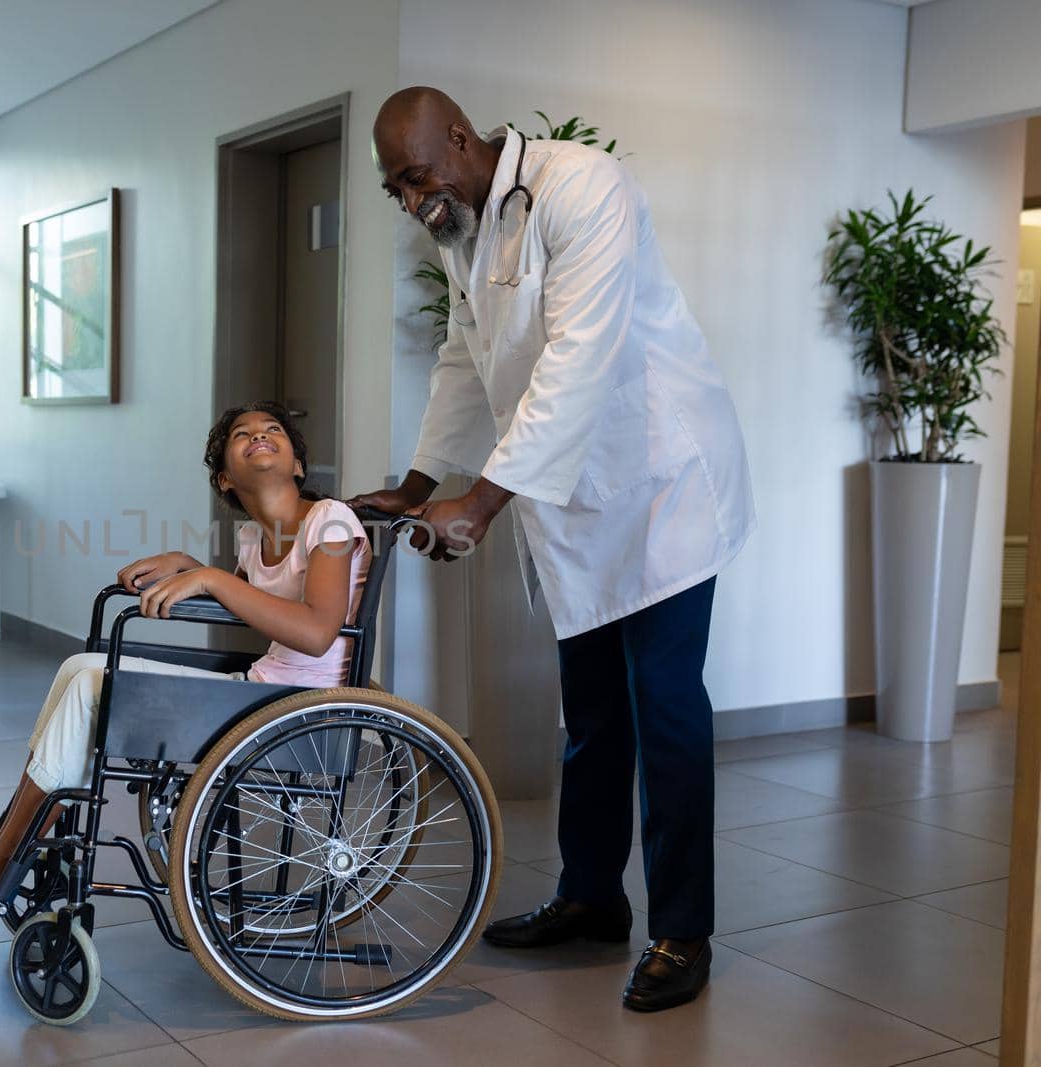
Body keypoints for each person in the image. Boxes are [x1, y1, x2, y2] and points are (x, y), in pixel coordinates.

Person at [348, 86, 755, 1012]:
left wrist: (481, 503)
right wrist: (419, 483)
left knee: (665, 708)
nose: (414, 201)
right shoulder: (463, 231)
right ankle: (591, 895)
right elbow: (465, 355)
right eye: (396, 191)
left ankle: (683, 929)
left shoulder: (583, 188)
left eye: (417, 177)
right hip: (575, 496)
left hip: (661, 487)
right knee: (593, 711)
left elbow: (581, 358)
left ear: (459, 138)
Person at [0, 402, 370, 901]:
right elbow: (252, 607)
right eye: (243, 434)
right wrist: (188, 565)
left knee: (91, 686)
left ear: (297, 464)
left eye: (273, 430)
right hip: (264, 691)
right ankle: (3, 846)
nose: (259, 435)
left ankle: (0, 864)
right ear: (224, 481)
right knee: (80, 665)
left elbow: (318, 632)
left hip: (304, 708)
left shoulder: (332, 520)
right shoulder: (254, 536)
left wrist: (207, 577)